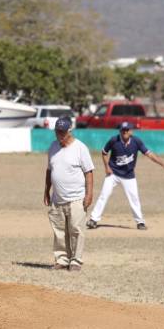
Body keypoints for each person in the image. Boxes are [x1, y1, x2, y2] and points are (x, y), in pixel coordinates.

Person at [86, 121, 164, 231]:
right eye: (123, 130)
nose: (125, 132)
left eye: (127, 130)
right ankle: (93, 219)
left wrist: (163, 164)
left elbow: (149, 154)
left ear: (131, 131)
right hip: (113, 173)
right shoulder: (114, 140)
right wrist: (107, 167)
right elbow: (104, 152)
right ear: (120, 131)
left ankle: (140, 222)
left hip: (128, 175)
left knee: (134, 199)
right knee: (104, 195)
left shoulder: (136, 141)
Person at [43, 116, 94, 271]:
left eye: (63, 132)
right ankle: (62, 259)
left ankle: (76, 260)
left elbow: (89, 172)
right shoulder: (53, 147)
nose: (59, 135)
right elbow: (49, 170)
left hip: (76, 198)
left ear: (69, 131)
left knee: (76, 230)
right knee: (59, 231)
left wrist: (89, 194)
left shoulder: (80, 148)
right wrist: (46, 191)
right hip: (57, 198)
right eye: (57, 131)